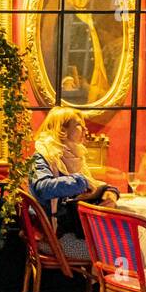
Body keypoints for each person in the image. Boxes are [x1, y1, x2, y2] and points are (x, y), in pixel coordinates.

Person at [29, 107, 116, 254]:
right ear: (61, 129)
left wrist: (111, 192)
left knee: (127, 242)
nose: (85, 128)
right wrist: (80, 182)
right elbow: (42, 188)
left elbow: (93, 184)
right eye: (78, 125)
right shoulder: (42, 156)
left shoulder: (75, 156)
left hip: (75, 231)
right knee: (115, 251)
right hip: (55, 237)